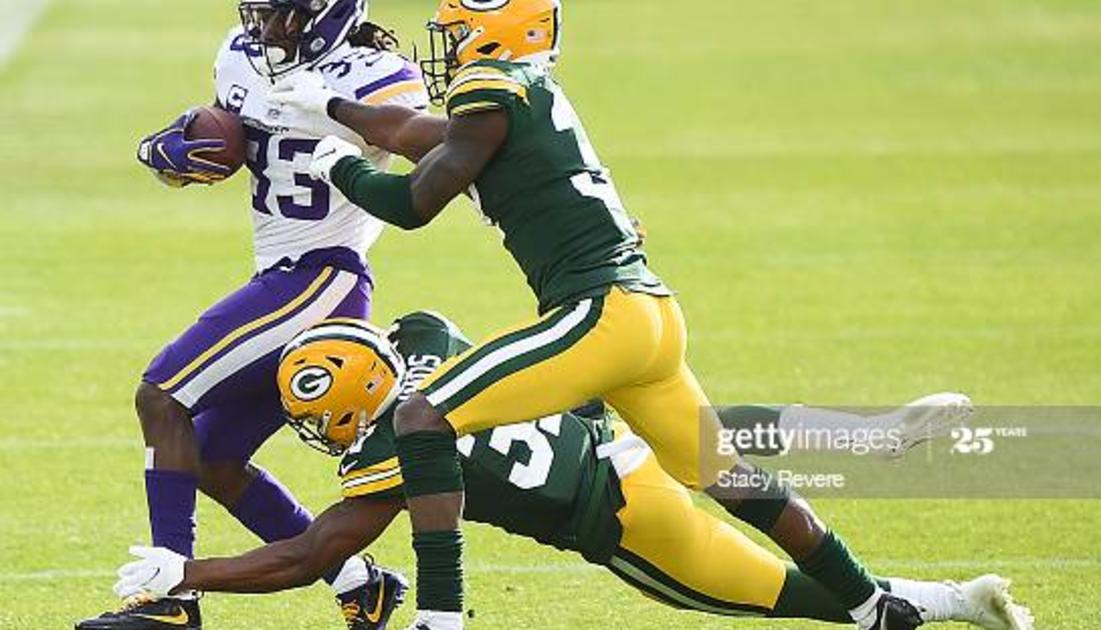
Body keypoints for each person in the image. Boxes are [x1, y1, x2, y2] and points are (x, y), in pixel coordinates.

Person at [265, 0, 962, 627]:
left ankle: (440, 620)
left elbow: (414, 203)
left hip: (598, 312)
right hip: (649, 312)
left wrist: (338, 164)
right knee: (727, 474)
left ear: (497, 29)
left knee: (422, 418)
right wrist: (330, 107)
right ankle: (873, 605)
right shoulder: (523, 97)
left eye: (457, 29)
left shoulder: (492, 86)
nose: (447, 43)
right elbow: (417, 130)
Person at [113, 314, 1033, 630]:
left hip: (624, 525)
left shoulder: (388, 456)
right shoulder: (432, 348)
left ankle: (950, 600)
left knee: (802, 599)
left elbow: (312, 555)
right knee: (716, 443)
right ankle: (863, 436)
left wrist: (184, 571)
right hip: (616, 441)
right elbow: (421, 327)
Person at [76, 2, 427, 628]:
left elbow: (416, 140)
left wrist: (336, 109)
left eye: (281, 15)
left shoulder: (375, 72)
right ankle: (359, 583)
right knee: (210, 457)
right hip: (280, 275)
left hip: (323, 275)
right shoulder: (239, 55)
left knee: (162, 396)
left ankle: (171, 599)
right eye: (258, 12)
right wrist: (185, 151)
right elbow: (229, 138)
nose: (264, 29)